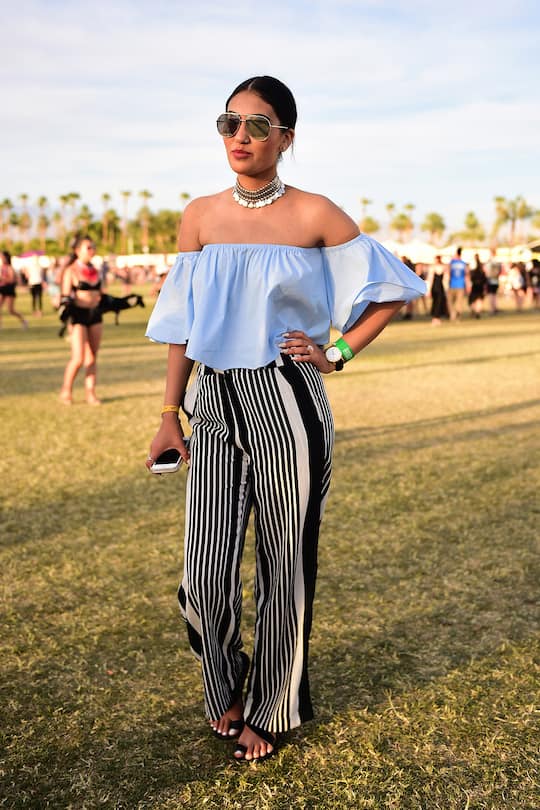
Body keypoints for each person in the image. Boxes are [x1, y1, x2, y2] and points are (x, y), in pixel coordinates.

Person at [144, 75, 426, 764]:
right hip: (211, 402)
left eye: (258, 125)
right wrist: (166, 411)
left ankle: (273, 706)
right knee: (203, 576)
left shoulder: (315, 214)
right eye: (229, 123)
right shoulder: (200, 216)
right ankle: (223, 689)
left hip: (286, 402)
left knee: (284, 564)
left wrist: (334, 352)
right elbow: (182, 322)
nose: (241, 137)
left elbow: (392, 292)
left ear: (287, 137)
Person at [59, 236, 103, 405]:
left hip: (95, 315)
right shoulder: (71, 271)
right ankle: (66, 390)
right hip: (77, 316)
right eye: (88, 247)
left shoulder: (96, 270)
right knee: (78, 358)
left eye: (93, 247)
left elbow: (101, 292)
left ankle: (90, 393)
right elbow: (64, 296)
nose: (92, 250)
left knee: (92, 357)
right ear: (77, 251)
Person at [0, 251, 28, 329]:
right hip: (2, 289)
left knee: (11, 310)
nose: (1, 258)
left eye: (2, 257)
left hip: (9, 290)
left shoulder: (9, 267)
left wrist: (3, 279)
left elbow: (12, 280)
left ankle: (24, 321)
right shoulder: (2, 267)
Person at [447, 247, 468, 320]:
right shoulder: (463, 263)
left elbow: (448, 273)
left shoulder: (452, 263)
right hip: (461, 285)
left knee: (450, 301)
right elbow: (466, 275)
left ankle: (453, 315)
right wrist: (468, 285)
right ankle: (458, 314)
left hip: (452, 284)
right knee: (459, 302)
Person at [427, 255, 448, 325]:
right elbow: (446, 279)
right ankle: (436, 318)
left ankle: (436, 318)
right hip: (439, 288)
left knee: (436, 303)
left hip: (436, 288)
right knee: (438, 303)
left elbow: (430, 279)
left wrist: (429, 290)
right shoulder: (444, 267)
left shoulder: (433, 268)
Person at [468, 254, 487, 318]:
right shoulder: (481, 267)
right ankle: (477, 311)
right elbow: (484, 278)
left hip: (475, 285)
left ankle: (474, 310)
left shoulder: (473, 266)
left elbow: (471, 277)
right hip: (480, 286)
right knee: (479, 299)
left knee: (473, 299)